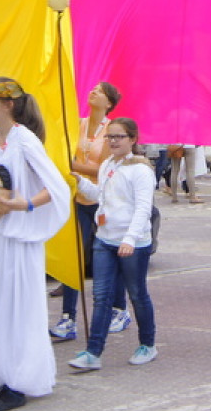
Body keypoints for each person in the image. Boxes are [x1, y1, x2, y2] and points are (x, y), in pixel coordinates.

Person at [0, 76, 70, 411]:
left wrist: (21, 205)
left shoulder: (24, 141)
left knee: (17, 311)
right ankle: (14, 367)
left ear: (7, 105)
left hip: (18, 241)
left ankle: (16, 381)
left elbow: (55, 189)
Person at [67, 117, 158, 371]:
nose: (113, 141)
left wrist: (129, 239)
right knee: (101, 296)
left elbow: (143, 209)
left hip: (133, 244)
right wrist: (81, 182)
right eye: (110, 136)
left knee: (137, 294)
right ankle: (93, 351)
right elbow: (101, 195)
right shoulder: (107, 164)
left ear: (132, 139)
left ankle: (147, 344)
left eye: (119, 137)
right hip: (105, 239)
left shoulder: (140, 170)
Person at [51, 81, 131, 341]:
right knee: (73, 257)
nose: (92, 93)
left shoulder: (111, 130)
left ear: (108, 103)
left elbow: (105, 168)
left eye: (99, 92)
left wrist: (73, 166)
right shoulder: (77, 124)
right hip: (75, 198)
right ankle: (67, 317)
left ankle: (119, 309)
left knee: (108, 253)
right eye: (92, 90)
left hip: (101, 200)